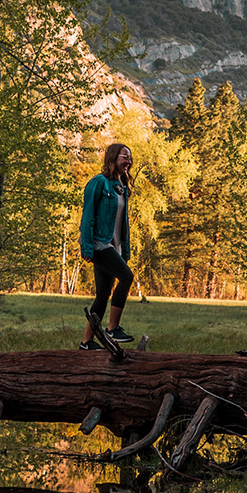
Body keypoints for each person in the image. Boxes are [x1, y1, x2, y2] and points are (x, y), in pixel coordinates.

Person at [79, 141, 135, 348]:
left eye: (130, 157)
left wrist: (124, 250)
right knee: (127, 277)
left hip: (114, 247)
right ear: (113, 158)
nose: (128, 161)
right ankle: (112, 329)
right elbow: (88, 216)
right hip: (100, 244)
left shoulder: (121, 188)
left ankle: (86, 342)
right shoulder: (98, 182)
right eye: (124, 157)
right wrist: (87, 247)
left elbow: (123, 224)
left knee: (103, 294)